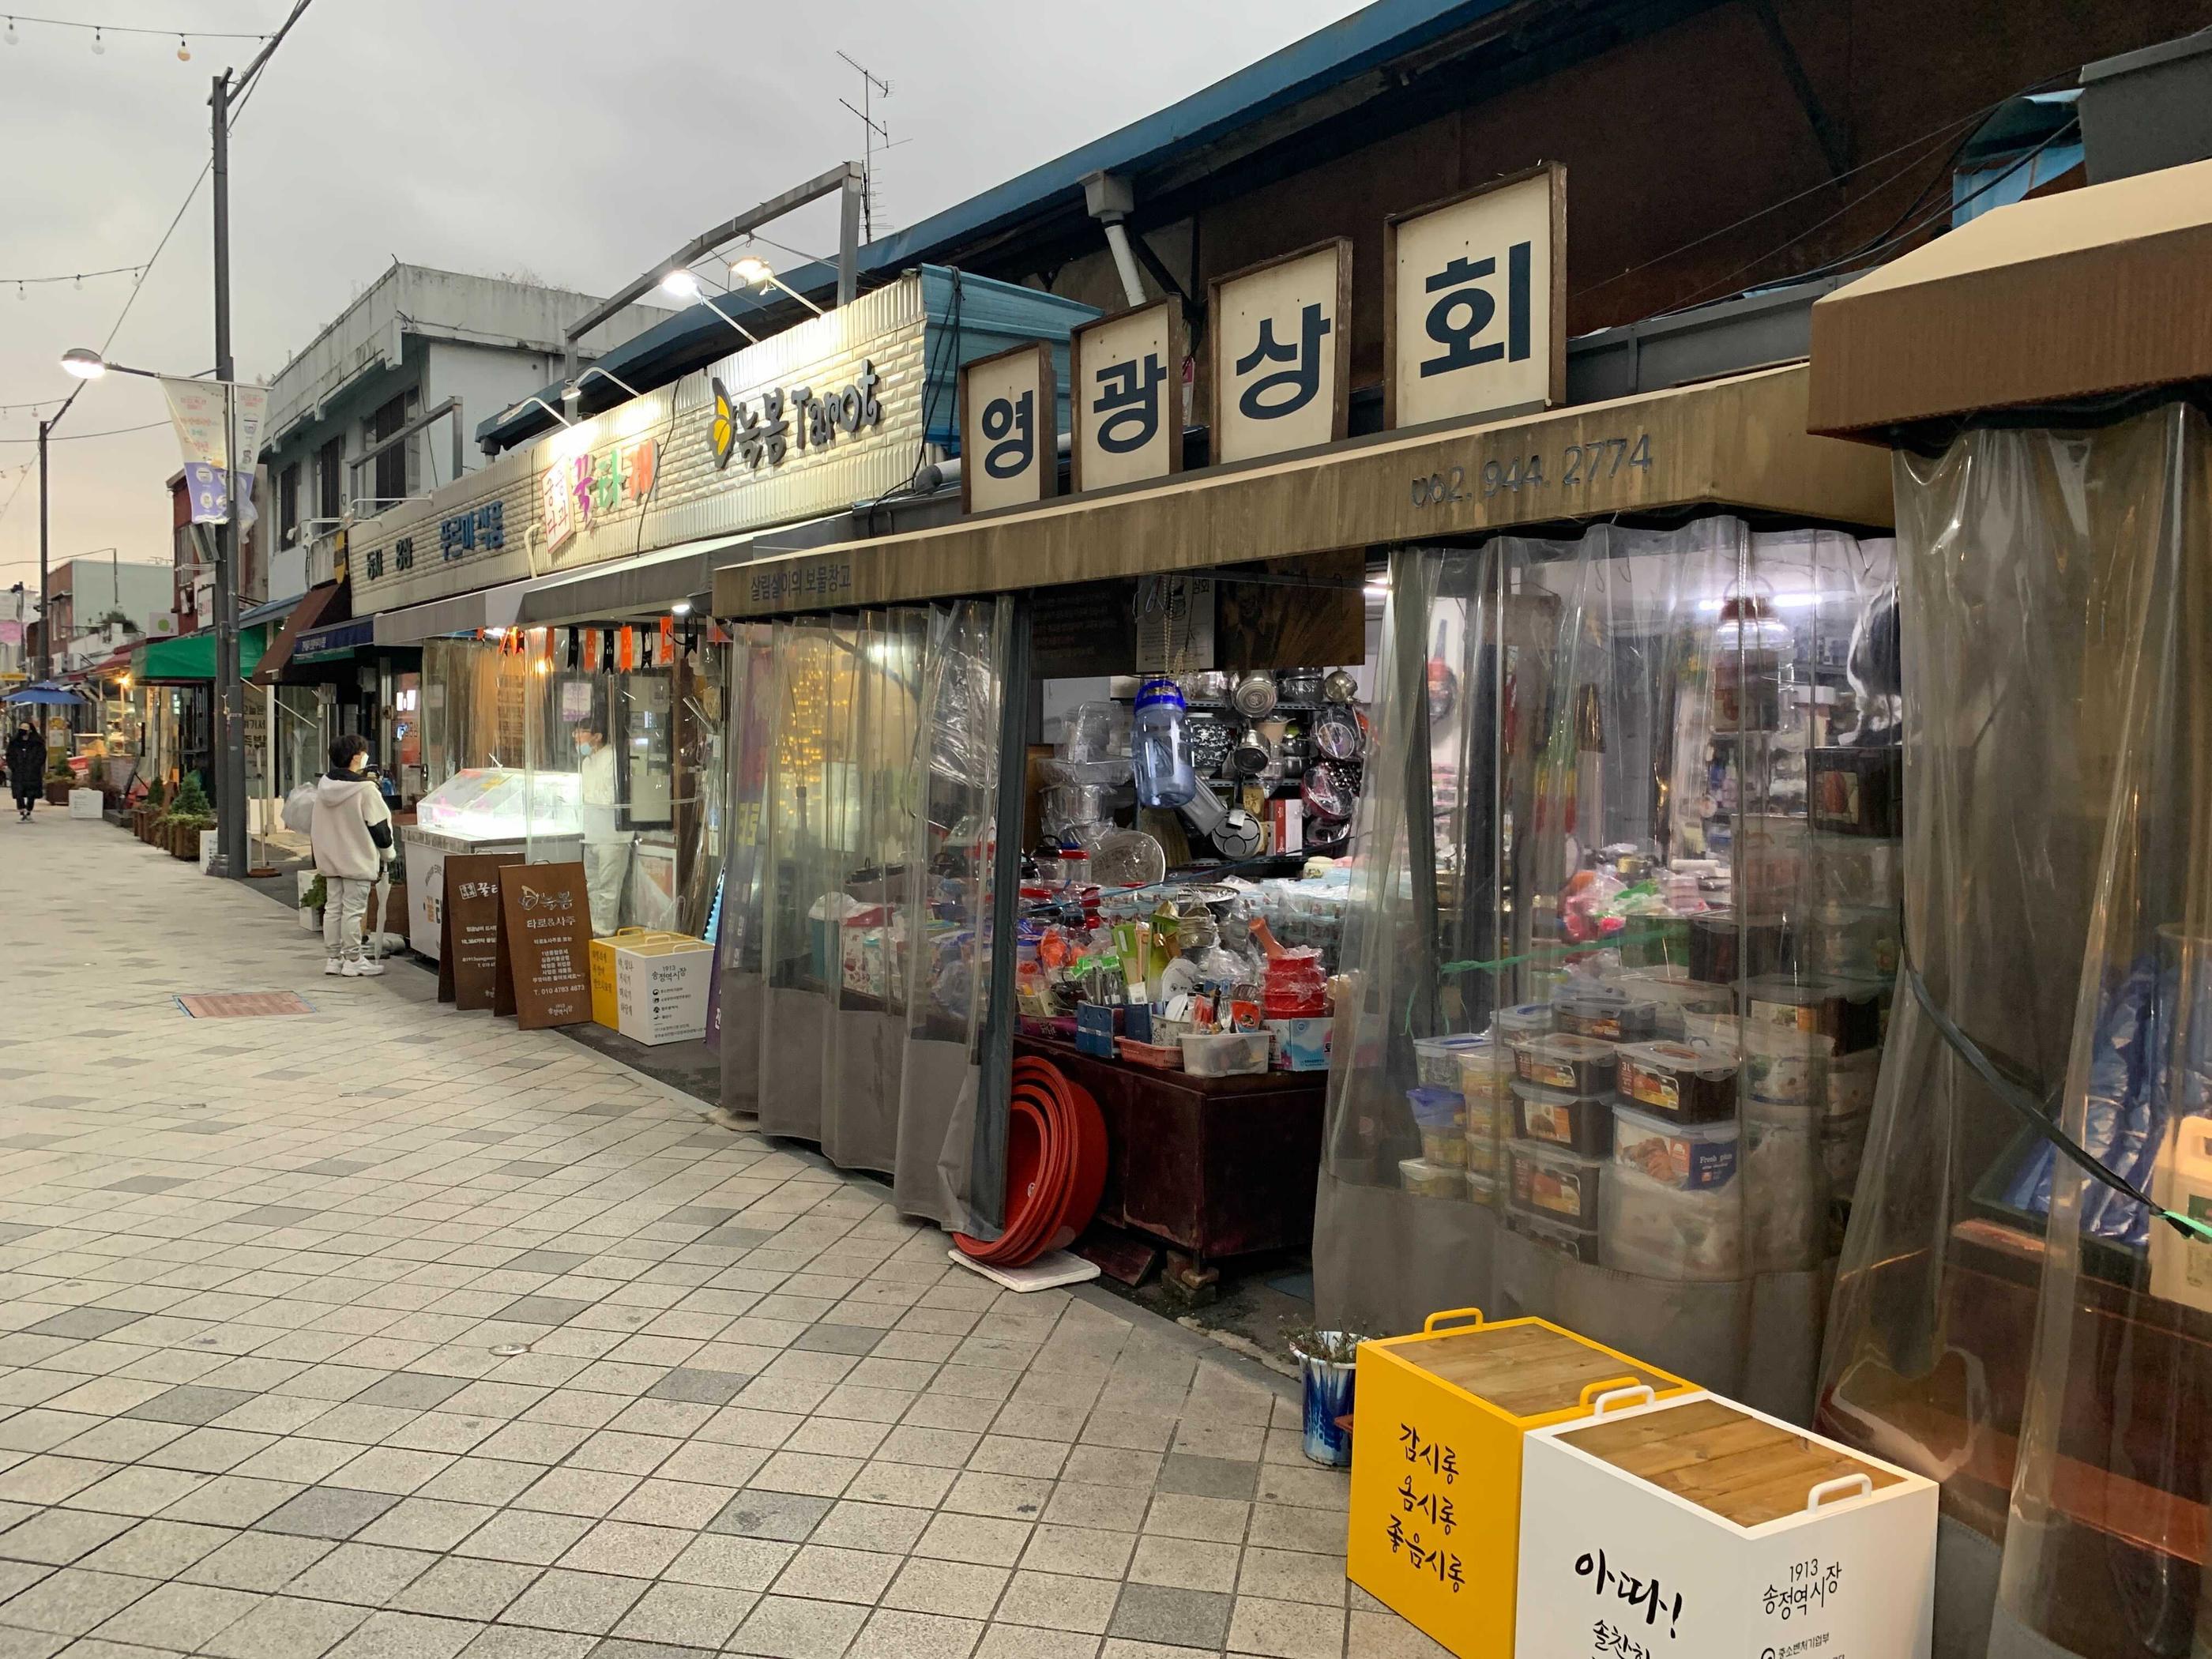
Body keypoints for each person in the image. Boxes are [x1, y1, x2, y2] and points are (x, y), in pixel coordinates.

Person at [310, 734, 393, 977]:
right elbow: (379, 827)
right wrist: (388, 853)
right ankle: (354, 959)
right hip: (357, 858)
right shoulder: (365, 790)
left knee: (333, 909)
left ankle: (334, 958)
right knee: (353, 911)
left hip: (330, 858)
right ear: (357, 757)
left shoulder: (325, 786)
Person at [574, 720, 630, 938]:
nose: (576, 737)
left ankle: (605, 931)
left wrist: (586, 799)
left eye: (581, 732)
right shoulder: (586, 762)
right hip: (591, 834)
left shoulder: (614, 758)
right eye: (574, 732)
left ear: (597, 736)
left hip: (612, 836)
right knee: (591, 885)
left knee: (609, 887)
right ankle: (592, 927)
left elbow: (611, 798)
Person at [6, 723, 43, 822]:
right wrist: (14, 766)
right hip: (18, 772)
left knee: (32, 793)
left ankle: (29, 811)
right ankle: (21, 811)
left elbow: (41, 756)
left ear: (30, 730)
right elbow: (9, 755)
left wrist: (35, 766)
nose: (23, 730)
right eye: (21, 728)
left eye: (26, 728)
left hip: (32, 773)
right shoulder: (14, 742)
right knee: (19, 792)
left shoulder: (37, 743)